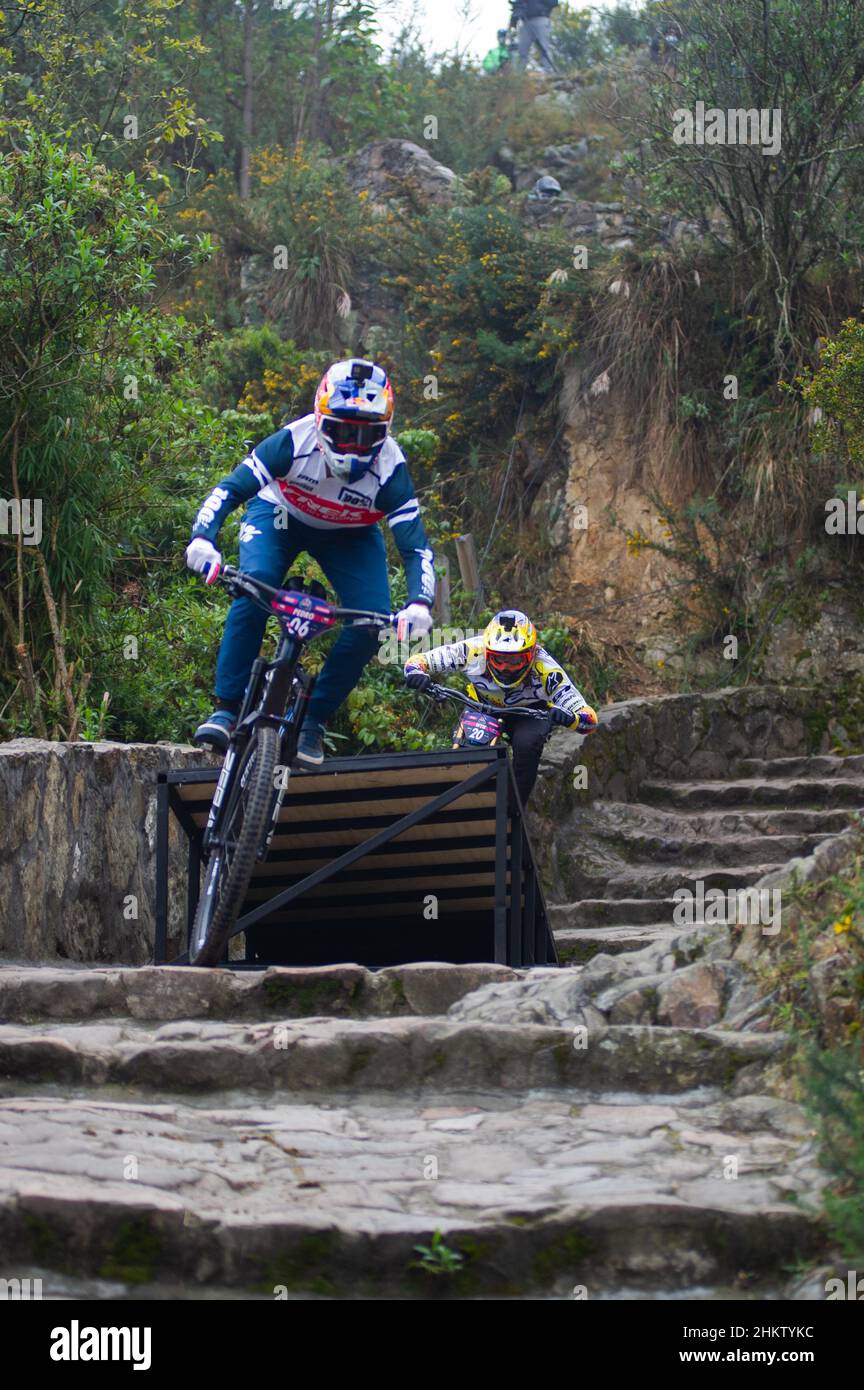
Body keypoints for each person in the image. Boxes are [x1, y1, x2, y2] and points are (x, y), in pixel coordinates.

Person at [185, 358, 435, 764]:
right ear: (320, 420)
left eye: (365, 434)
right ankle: (227, 709)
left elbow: (416, 548)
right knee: (254, 585)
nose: (353, 443)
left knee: (371, 620)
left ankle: (313, 720)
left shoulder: (392, 469)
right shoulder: (292, 441)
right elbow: (231, 490)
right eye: (341, 430)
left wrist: (420, 602)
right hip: (281, 516)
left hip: (350, 535)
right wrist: (202, 541)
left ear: (385, 432)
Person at [403, 609, 597, 804]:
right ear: (487, 652)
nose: (505, 668)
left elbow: (589, 720)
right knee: (469, 747)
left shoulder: (546, 669)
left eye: (515, 660)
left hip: (530, 712)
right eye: (499, 659)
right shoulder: (474, 650)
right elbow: (418, 661)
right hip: (482, 705)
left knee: (527, 746)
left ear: (531, 654)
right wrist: (416, 674)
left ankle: (514, 811)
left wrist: (571, 718)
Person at [510, 0, 559, 76]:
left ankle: (549, 72)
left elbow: (554, 3)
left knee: (544, 48)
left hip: (541, 18)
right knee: (522, 50)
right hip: (525, 22)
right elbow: (518, 6)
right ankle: (518, 75)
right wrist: (513, 21)